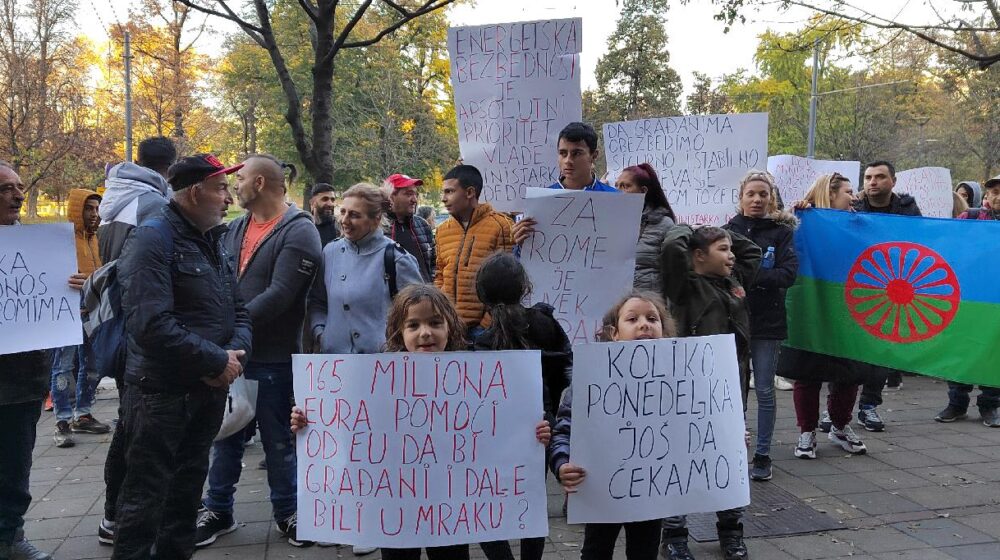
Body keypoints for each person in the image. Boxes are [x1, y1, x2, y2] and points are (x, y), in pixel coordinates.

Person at [292, 284, 551, 560]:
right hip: (394, 509)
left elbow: (499, 431)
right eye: (413, 325)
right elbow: (345, 426)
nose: (425, 332)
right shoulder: (375, 381)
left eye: (435, 323)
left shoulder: (473, 377)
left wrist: (534, 433)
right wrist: (308, 422)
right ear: (398, 332)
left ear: (449, 327)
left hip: (450, 509)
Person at [111, 153, 252, 560]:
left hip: (206, 392)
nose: (229, 198)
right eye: (221, 188)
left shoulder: (212, 240)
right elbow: (150, 324)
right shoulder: (153, 238)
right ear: (195, 192)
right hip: (160, 396)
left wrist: (232, 359)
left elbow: (237, 309)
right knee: (145, 498)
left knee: (187, 494)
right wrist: (215, 361)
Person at [195, 155, 322, 549]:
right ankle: (218, 510)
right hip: (233, 356)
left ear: (262, 183)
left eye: (242, 178)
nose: (235, 186)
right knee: (227, 436)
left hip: (272, 357)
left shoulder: (299, 231)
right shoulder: (235, 228)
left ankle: (289, 512)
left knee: (278, 440)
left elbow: (282, 295)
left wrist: (231, 330)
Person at [658, 226, 760, 560]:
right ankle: (674, 534)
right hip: (688, 391)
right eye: (722, 249)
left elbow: (752, 251)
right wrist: (690, 227)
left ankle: (731, 531)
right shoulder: (683, 286)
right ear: (699, 256)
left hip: (729, 392)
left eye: (730, 249)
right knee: (679, 460)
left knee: (729, 461)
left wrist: (723, 230)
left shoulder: (735, 280)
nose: (731, 255)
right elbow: (674, 245)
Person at [550, 292, 677, 560]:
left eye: (652, 318)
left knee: (644, 552)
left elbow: (696, 428)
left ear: (664, 333)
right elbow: (564, 428)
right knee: (596, 551)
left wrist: (731, 439)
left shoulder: (679, 383)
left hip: (649, 493)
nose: (644, 324)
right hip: (601, 487)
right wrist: (562, 464)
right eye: (633, 319)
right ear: (614, 333)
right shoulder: (590, 379)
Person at [97, 138, 177, 544]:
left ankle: (114, 513)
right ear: (170, 165)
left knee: (129, 424)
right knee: (136, 430)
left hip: (119, 320)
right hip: (142, 326)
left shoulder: (116, 197)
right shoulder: (152, 204)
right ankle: (120, 515)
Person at [474, 253, 572, 560]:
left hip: (492, 437)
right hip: (539, 431)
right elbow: (564, 370)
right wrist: (551, 415)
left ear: (481, 295)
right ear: (524, 287)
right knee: (533, 496)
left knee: (486, 499)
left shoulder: (478, 342)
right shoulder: (546, 324)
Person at [0, 161, 66, 560]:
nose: (19, 195)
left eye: (20, 187)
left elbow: (57, 308)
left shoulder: (37, 250)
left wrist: (74, 287)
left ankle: (9, 539)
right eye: (6, 189)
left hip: (22, 384)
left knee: (14, 470)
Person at [781, 173, 869, 459]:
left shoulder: (858, 223)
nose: (853, 196)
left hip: (847, 310)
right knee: (808, 372)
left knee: (850, 371)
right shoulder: (801, 221)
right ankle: (806, 431)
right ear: (830, 195)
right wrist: (795, 216)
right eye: (847, 191)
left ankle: (840, 425)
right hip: (811, 307)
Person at [723, 170, 798, 482]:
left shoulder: (781, 233)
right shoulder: (726, 230)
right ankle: (733, 448)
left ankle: (763, 454)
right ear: (741, 197)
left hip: (768, 323)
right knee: (733, 391)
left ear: (772, 199)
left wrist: (748, 278)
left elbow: (787, 275)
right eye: (751, 194)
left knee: (765, 390)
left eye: (763, 194)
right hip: (732, 321)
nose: (756, 199)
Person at [309, 182, 422, 358]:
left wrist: (393, 346)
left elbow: (419, 314)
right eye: (343, 212)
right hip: (334, 363)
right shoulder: (330, 252)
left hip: (383, 365)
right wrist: (321, 333)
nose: (344, 220)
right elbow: (318, 301)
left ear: (376, 219)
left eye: (354, 215)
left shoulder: (398, 259)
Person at [851, 160, 921, 431]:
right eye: (868, 177)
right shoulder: (851, 207)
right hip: (857, 287)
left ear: (893, 181)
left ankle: (868, 406)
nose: (872, 182)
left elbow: (919, 244)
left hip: (891, 291)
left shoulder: (908, 210)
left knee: (880, 353)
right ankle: (836, 406)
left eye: (879, 177)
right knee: (845, 350)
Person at [937, 175, 1000, 427]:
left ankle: (990, 405)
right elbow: (950, 249)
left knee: (993, 353)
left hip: (996, 303)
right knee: (961, 350)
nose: (998, 196)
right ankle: (956, 404)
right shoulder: (970, 218)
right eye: (994, 191)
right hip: (968, 300)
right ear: (987, 195)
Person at [50, 188, 110, 449]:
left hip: (92, 311)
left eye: (96, 209)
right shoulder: (61, 239)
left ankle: (82, 414)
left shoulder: (94, 238)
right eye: (89, 208)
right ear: (77, 209)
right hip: (67, 312)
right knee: (63, 367)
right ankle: (62, 420)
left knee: (93, 365)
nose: (94, 214)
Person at [434, 165, 514, 339]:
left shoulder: (501, 226)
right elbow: (440, 274)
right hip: (449, 327)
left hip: (484, 331)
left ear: (470, 192)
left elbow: (507, 282)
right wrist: (439, 314)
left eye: (449, 192)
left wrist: (486, 324)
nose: (443, 199)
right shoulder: (442, 231)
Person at [511, 122, 619, 247]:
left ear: (594, 156)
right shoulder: (540, 202)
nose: (568, 161)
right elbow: (527, 259)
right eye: (563, 153)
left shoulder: (616, 200)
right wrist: (521, 245)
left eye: (577, 153)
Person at [97, 136, 177, 264]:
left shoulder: (111, 200)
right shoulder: (161, 207)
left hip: (109, 283)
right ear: (171, 168)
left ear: (136, 162)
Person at [614, 163, 676, 291]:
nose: (618, 192)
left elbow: (674, 270)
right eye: (616, 186)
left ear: (643, 191)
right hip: (618, 304)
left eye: (625, 186)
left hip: (650, 303)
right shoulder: (610, 222)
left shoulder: (664, 224)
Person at [381, 173, 437, 282]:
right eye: (408, 194)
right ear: (391, 196)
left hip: (426, 294)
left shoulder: (422, 225)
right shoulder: (377, 228)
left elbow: (434, 263)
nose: (414, 200)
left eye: (415, 194)